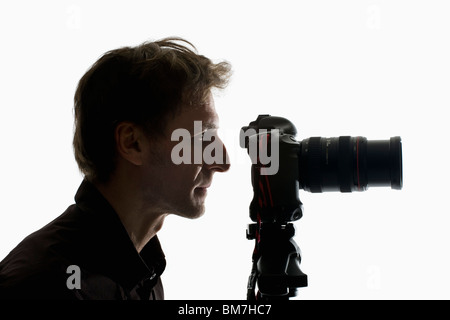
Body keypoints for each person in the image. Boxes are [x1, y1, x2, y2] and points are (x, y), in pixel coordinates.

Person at [0, 37, 232, 299]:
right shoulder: (42, 286)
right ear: (132, 143)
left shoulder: (144, 274)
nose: (222, 162)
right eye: (202, 137)